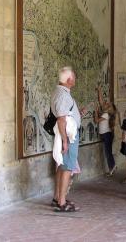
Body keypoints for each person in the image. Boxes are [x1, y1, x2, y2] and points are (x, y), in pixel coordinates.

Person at [51, 67, 81, 212]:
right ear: (69, 80)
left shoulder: (60, 92)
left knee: (62, 166)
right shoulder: (63, 95)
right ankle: (62, 202)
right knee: (68, 167)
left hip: (66, 135)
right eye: (74, 76)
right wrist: (64, 141)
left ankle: (57, 197)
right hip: (68, 137)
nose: (75, 79)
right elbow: (62, 120)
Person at [94, 86, 117, 176]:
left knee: (108, 153)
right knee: (108, 152)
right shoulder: (106, 112)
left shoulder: (106, 115)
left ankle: (112, 168)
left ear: (110, 108)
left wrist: (96, 112)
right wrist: (99, 90)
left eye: (108, 104)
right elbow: (101, 101)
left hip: (107, 135)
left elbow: (96, 120)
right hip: (106, 135)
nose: (106, 103)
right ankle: (113, 166)